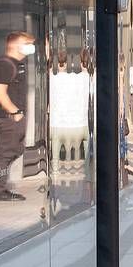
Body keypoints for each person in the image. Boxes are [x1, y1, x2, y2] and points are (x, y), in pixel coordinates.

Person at [0, 31, 33, 201]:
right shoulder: (5, 64)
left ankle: (0, 186)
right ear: (15, 45)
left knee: (15, 150)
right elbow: (0, 93)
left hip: (13, 117)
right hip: (8, 117)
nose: (31, 47)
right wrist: (15, 113)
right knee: (4, 154)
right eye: (27, 43)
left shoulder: (15, 64)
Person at [51, 44, 92, 175]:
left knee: (55, 153)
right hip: (82, 125)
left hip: (58, 126)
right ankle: (88, 172)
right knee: (88, 146)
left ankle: (56, 171)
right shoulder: (86, 78)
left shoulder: (52, 79)